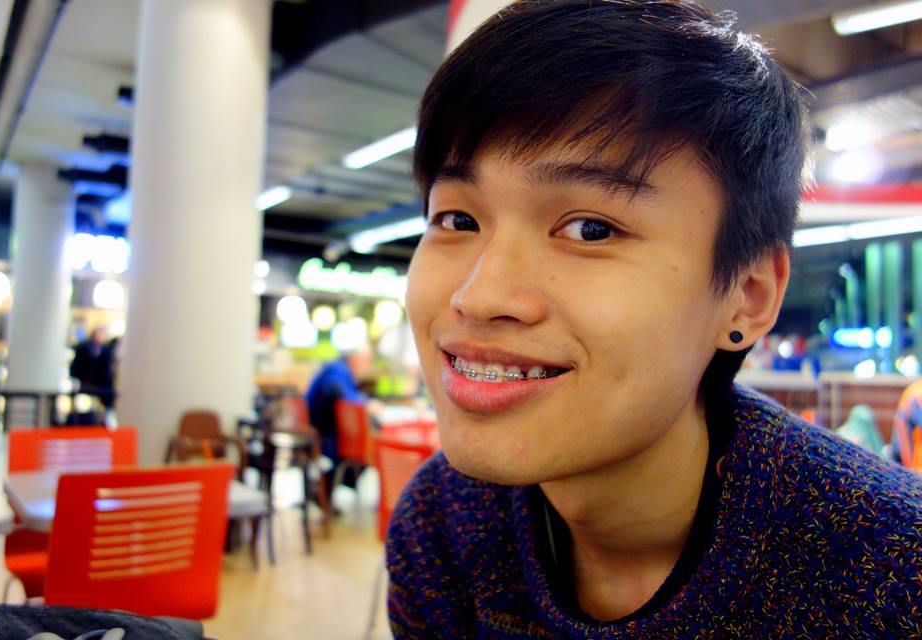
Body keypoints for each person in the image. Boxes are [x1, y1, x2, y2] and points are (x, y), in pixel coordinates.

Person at [387, 1, 922, 638]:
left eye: (590, 229)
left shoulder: (894, 575)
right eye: (457, 219)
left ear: (748, 296)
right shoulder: (444, 524)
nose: (479, 297)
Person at [304, 345, 374, 490]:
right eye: (366, 361)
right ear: (354, 358)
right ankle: (329, 484)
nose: (367, 365)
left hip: (326, 431)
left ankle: (329, 485)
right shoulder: (338, 369)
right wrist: (365, 403)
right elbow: (335, 390)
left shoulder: (341, 369)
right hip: (321, 432)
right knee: (367, 449)